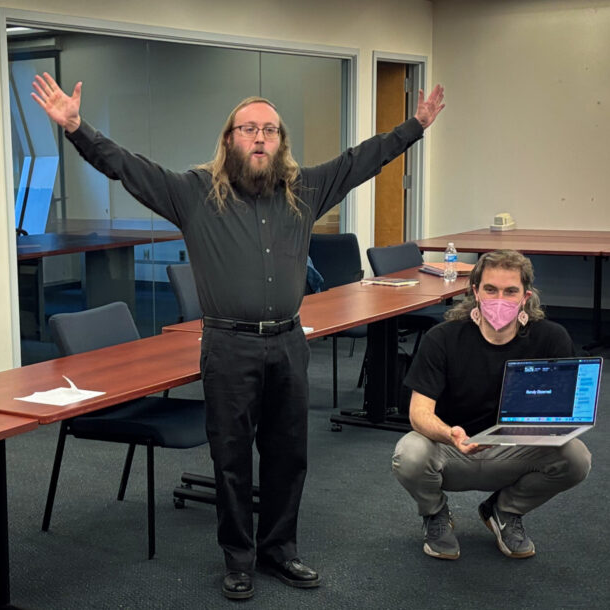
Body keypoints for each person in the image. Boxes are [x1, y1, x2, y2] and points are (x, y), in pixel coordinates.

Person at [32, 72, 444, 599]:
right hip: (229, 346)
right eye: (248, 128)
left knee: (288, 453)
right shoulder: (193, 193)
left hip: (290, 343)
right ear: (229, 137)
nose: (259, 138)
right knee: (230, 459)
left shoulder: (304, 192)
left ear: (280, 142)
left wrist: (414, 127)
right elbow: (126, 167)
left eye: (270, 130)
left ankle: (280, 551)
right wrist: (76, 128)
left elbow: (360, 160)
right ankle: (238, 558)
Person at [392, 249, 591, 561]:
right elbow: (419, 413)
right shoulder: (442, 338)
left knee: (577, 457)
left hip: (517, 449)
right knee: (409, 454)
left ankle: (504, 510)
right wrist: (450, 434)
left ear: (525, 296)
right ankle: (435, 514)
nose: (500, 299)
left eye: (510, 291)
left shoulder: (551, 338)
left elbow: (565, 411)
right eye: (490, 289)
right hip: (453, 448)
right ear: (475, 292)